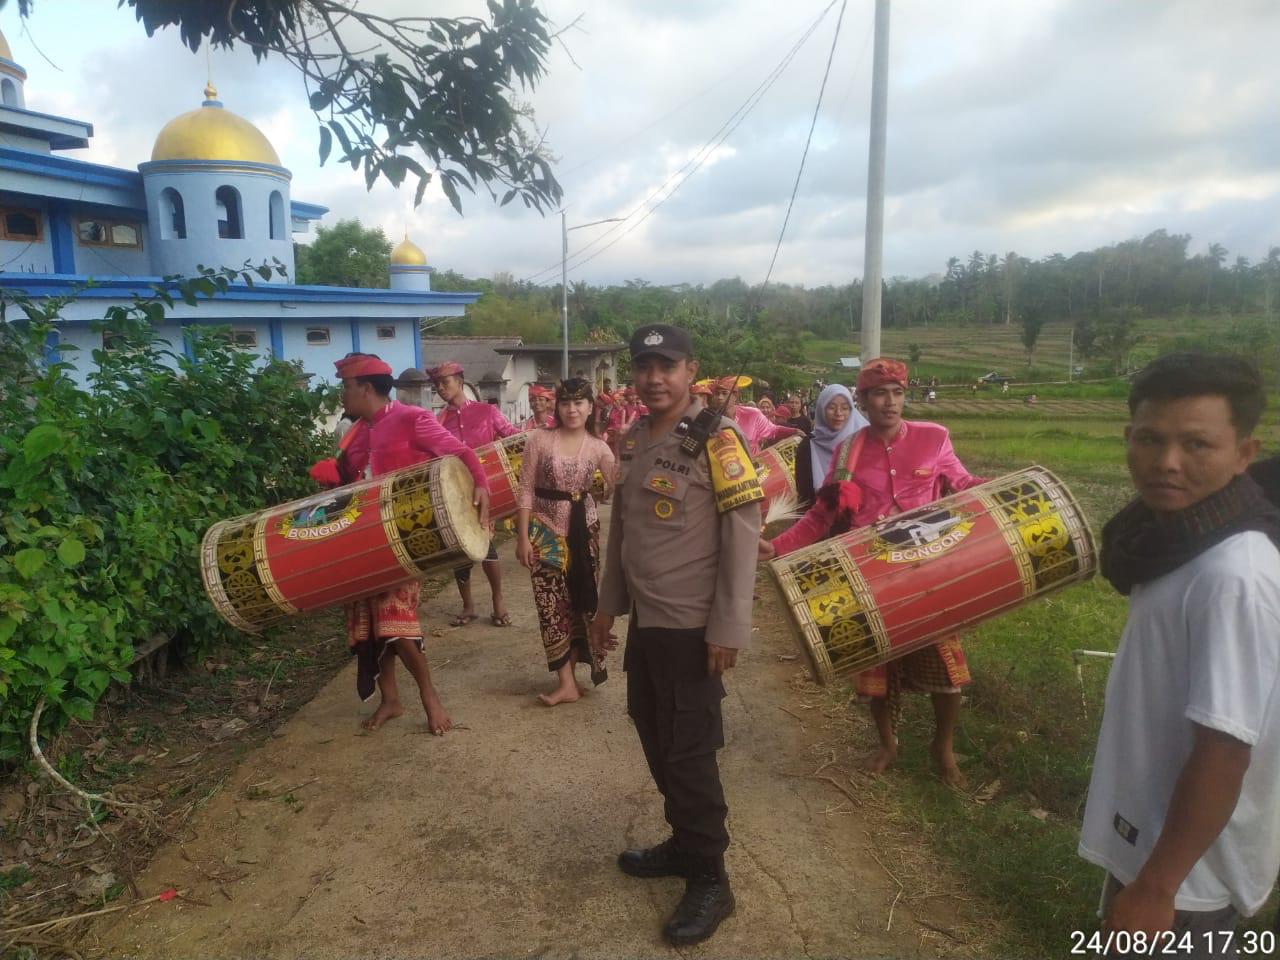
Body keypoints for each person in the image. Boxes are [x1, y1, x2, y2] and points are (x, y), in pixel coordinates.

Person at [1079, 353, 1280, 956]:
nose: (1167, 463)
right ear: (1128, 438)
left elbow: (1225, 747)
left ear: (1244, 453)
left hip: (1189, 881)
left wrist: (1158, 887)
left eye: (1197, 444)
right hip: (1154, 848)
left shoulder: (1234, 576)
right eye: (1151, 439)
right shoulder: (1176, 539)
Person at [590, 323, 762, 947]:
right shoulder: (633, 439)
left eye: (667, 366)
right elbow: (622, 532)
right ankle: (685, 844)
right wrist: (608, 607)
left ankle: (712, 879)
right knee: (655, 736)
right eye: (643, 367)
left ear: (692, 370)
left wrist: (728, 627)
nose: (654, 378)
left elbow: (743, 535)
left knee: (689, 755)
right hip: (648, 625)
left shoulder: (718, 439)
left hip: (693, 629)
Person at [760, 358, 983, 786]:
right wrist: (776, 547)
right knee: (876, 669)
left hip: (927, 570)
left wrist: (1001, 489)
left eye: (897, 393)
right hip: (872, 576)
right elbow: (821, 517)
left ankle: (944, 748)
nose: (890, 401)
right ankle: (887, 744)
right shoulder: (849, 452)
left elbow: (962, 483)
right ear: (864, 400)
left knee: (946, 666)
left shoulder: (934, 438)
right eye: (880, 394)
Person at [308, 353, 491, 735]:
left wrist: (481, 484)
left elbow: (461, 452)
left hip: (406, 540)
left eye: (346, 387)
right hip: (361, 542)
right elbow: (350, 489)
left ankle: (430, 698)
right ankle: (390, 699)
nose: (342, 394)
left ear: (365, 388)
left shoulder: (413, 419)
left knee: (397, 622)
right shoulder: (354, 431)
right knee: (371, 628)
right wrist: (333, 482)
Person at [515, 379, 616, 706]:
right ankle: (565, 681)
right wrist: (521, 537)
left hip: (584, 533)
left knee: (580, 603)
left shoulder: (599, 447)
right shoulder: (539, 440)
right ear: (557, 407)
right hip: (544, 533)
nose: (572, 410)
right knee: (549, 606)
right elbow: (526, 489)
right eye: (566, 403)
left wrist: (625, 454)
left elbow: (616, 487)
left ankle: (569, 681)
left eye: (580, 403)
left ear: (590, 407)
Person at [430, 360, 519, 627]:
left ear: (460, 381)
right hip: (455, 495)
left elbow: (513, 437)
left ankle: (498, 600)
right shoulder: (438, 421)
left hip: (486, 490)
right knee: (460, 549)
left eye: (446, 382)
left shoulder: (487, 412)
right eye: (437, 384)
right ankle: (468, 605)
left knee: (485, 544)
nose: (441, 388)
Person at [793, 384, 869, 507]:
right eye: (831, 407)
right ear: (821, 409)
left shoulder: (864, 440)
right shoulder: (808, 445)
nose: (838, 413)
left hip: (860, 518)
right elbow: (804, 496)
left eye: (845, 408)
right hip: (819, 517)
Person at [710, 376, 802, 456]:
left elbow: (774, 430)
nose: (720, 397)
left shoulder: (752, 414)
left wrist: (794, 431)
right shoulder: (709, 418)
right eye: (717, 394)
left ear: (735, 396)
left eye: (724, 393)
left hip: (752, 466)